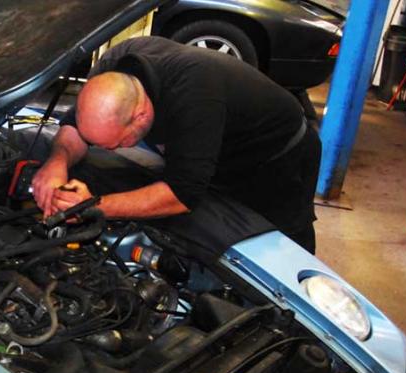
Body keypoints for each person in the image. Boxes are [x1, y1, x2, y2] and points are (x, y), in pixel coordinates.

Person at [31, 36, 321, 253]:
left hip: (277, 158)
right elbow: (74, 130)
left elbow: (182, 194)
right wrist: (56, 164)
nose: (110, 151)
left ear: (140, 115)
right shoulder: (110, 73)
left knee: (276, 246)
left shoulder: (194, 96)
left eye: (116, 143)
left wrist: (94, 206)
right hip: (213, 146)